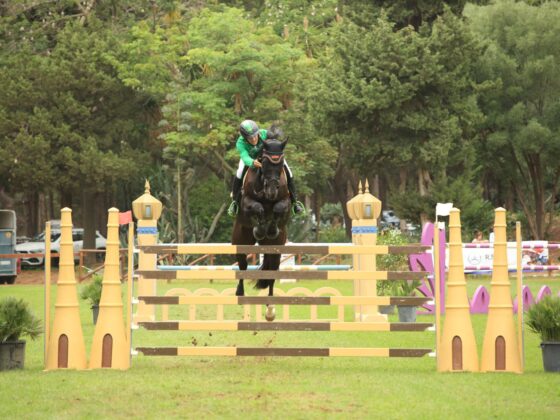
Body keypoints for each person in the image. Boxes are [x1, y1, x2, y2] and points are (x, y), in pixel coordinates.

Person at [227, 119, 305, 217]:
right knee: (239, 172)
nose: (254, 139)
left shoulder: (264, 133)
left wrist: (277, 137)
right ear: (244, 137)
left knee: (289, 171)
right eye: (250, 138)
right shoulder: (240, 143)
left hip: (266, 157)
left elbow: (275, 141)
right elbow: (244, 156)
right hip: (250, 159)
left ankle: (295, 202)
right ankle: (235, 201)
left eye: (255, 135)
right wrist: (252, 162)